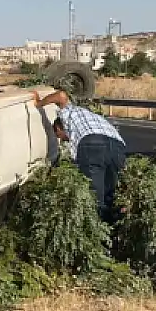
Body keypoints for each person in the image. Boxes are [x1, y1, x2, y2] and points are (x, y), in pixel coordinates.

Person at [34, 89, 126, 222]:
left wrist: (39, 104)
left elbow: (61, 95)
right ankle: (114, 228)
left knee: (95, 198)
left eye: (59, 136)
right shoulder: (89, 115)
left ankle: (98, 232)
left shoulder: (68, 113)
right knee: (110, 195)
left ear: (59, 128)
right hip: (117, 146)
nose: (64, 140)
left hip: (92, 144)